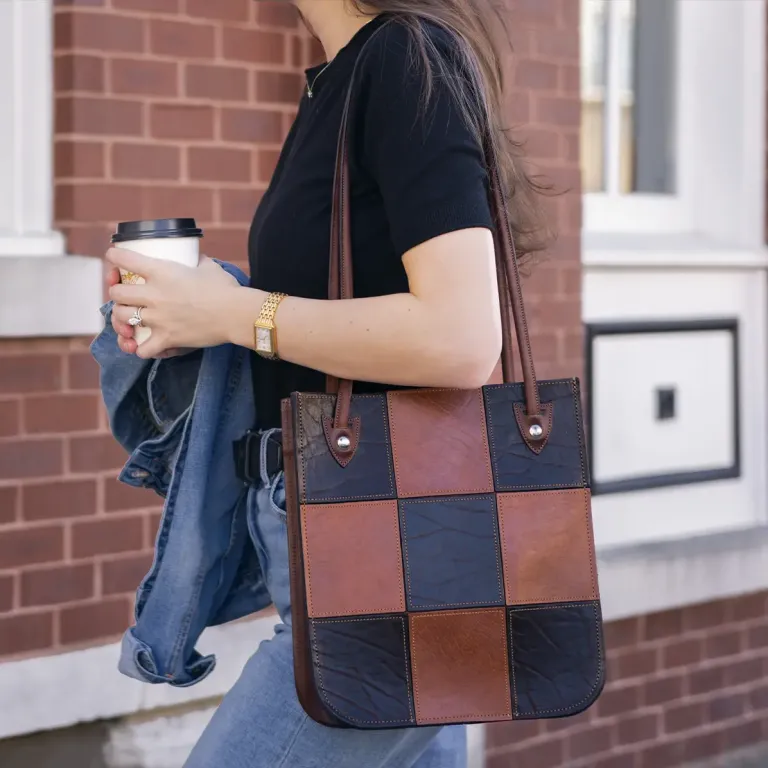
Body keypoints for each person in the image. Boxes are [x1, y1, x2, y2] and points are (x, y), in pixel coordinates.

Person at [104, 1, 548, 765]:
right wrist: (200, 314)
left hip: (388, 571)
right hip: (341, 545)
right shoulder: (340, 81)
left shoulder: (406, 60)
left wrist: (238, 311)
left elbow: (462, 337)